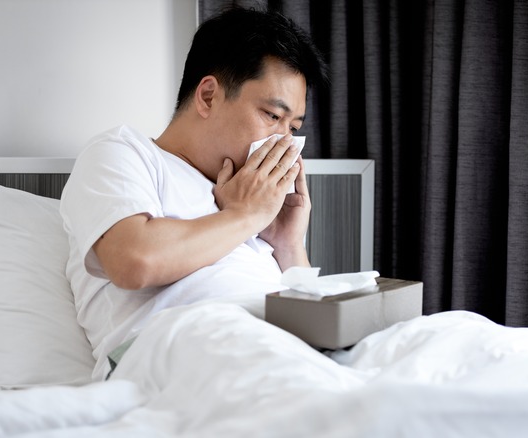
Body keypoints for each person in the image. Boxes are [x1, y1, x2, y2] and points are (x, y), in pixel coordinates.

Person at [60, 7, 329, 380]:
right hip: (183, 354)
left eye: (293, 126)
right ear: (207, 96)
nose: (284, 142)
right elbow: (133, 260)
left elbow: (319, 330)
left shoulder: (250, 199)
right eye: (271, 115)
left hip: (281, 350)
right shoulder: (122, 152)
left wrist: (288, 244)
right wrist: (244, 216)